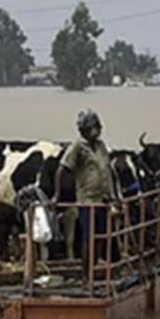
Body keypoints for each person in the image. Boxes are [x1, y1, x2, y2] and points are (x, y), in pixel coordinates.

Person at [56, 109, 117, 263]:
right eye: (95, 127)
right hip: (87, 201)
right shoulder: (78, 147)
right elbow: (62, 168)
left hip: (104, 200)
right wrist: (57, 195)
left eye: (99, 127)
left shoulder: (101, 146)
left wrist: (114, 196)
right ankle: (86, 274)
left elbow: (107, 170)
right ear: (85, 130)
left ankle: (95, 265)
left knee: (102, 236)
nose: (98, 130)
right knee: (89, 239)